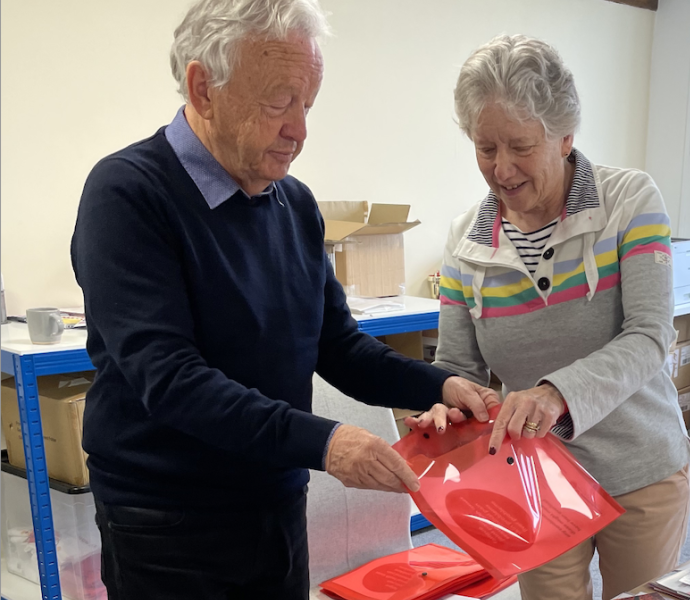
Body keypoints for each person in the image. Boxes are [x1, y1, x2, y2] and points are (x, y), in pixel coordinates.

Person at [70, 1, 496, 598]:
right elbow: (170, 378)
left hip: (274, 500)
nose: (299, 129)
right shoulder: (127, 195)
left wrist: (438, 385)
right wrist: (328, 442)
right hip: (167, 523)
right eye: (278, 102)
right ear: (203, 87)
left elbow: (338, 346)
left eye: (307, 104)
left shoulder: (292, 204)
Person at [410, 34, 690, 600]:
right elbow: (456, 364)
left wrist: (554, 394)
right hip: (532, 476)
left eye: (520, 145)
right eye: (485, 147)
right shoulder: (467, 239)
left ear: (565, 136)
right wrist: (447, 405)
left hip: (639, 465)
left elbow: (649, 335)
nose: (501, 168)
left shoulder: (629, 201)